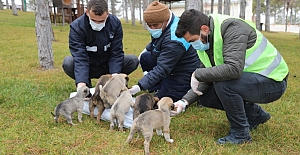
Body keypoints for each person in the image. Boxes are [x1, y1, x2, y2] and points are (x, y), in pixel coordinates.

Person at [171, 9, 289, 144]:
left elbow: (233, 70)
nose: (193, 45)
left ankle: (240, 134)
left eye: (192, 40)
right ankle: (255, 115)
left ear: (204, 29)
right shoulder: (207, 40)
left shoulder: (232, 29)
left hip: (273, 81)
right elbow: (209, 76)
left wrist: (197, 74)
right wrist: (184, 102)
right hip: (252, 80)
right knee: (206, 95)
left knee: (224, 85)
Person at [128, 1, 200, 102]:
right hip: (171, 64)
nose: (152, 28)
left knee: (165, 97)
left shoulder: (175, 39)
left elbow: (162, 68)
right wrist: (147, 49)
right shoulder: (165, 24)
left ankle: (174, 88)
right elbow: (157, 41)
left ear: (165, 20)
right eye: (149, 25)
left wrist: (139, 86)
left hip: (182, 71)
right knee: (145, 57)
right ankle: (157, 86)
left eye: (155, 25)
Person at [62, 0, 139, 89]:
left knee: (132, 60)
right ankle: (86, 84)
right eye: (94, 20)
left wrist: (115, 76)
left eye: (102, 21)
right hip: (89, 65)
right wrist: (81, 83)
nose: (97, 24)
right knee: (68, 62)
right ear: (87, 12)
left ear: (107, 14)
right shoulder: (77, 27)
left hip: (107, 65)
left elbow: (116, 52)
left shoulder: (115, 23)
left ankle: (110, 82)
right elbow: (80, 56)